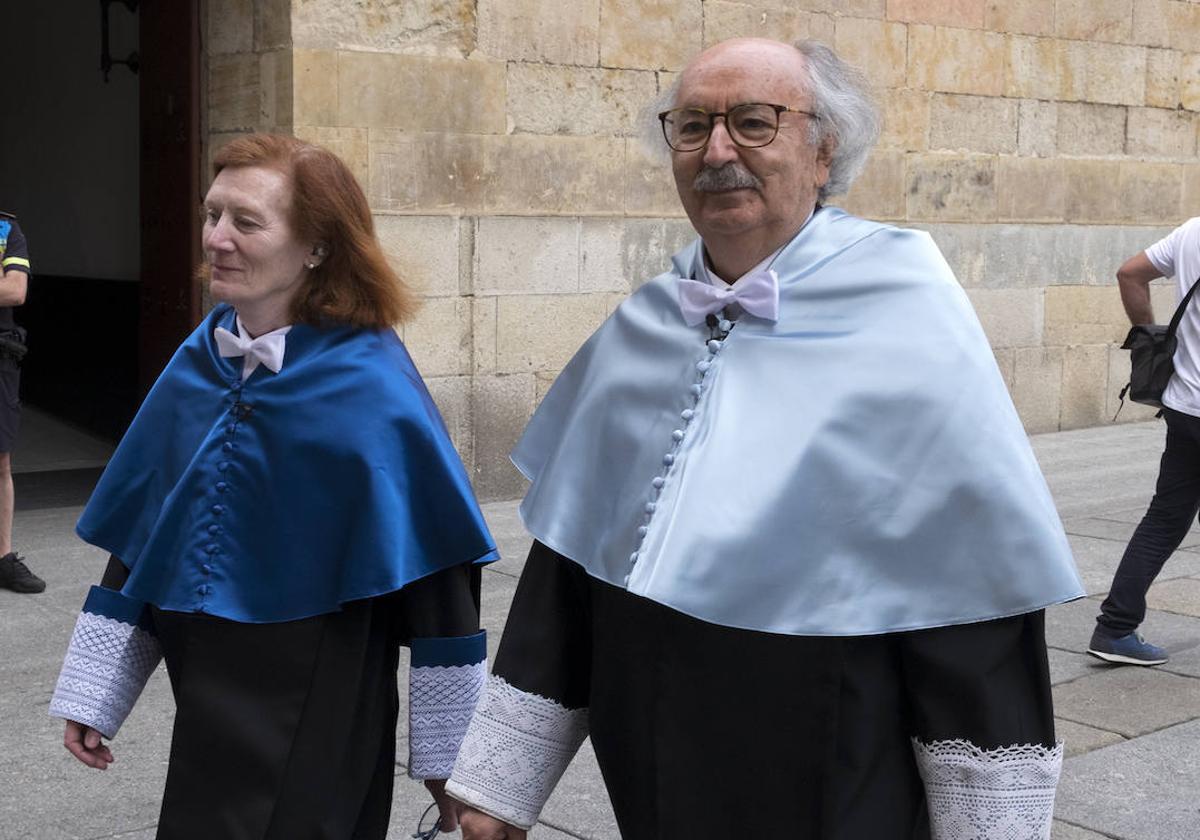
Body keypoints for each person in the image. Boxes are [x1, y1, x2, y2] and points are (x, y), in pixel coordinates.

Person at [447, 39, 1084, 840]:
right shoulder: (647, 319)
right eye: (691, 126)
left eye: (754, 123)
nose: (718, 152)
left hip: (830, 762)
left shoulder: (908, 313)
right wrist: (500, 792)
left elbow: (970, 601)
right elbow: (568, 572)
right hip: (649, 766)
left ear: (825, 151)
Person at [49, 134, 497, 838]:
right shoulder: (201, 353)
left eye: (246, 222)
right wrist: (97, 690)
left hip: (321, 689)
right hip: (207, 688)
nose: (216, 239)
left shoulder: (373, 385)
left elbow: (441, 580)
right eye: (212, 214)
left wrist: (455, 772)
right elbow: (147, 527)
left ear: (317, 246)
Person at [1087, 222, 1200, 666]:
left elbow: (1129, 273)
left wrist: (1151, 335)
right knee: (1165, 519)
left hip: (1186, 404)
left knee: (1164, 519)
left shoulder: (1193, 231)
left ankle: (1114, 628)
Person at [0, 209, 39, 594]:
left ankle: (3, 559)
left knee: (1, 461)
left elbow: (15, 290)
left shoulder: (6, 227)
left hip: (0, 358)